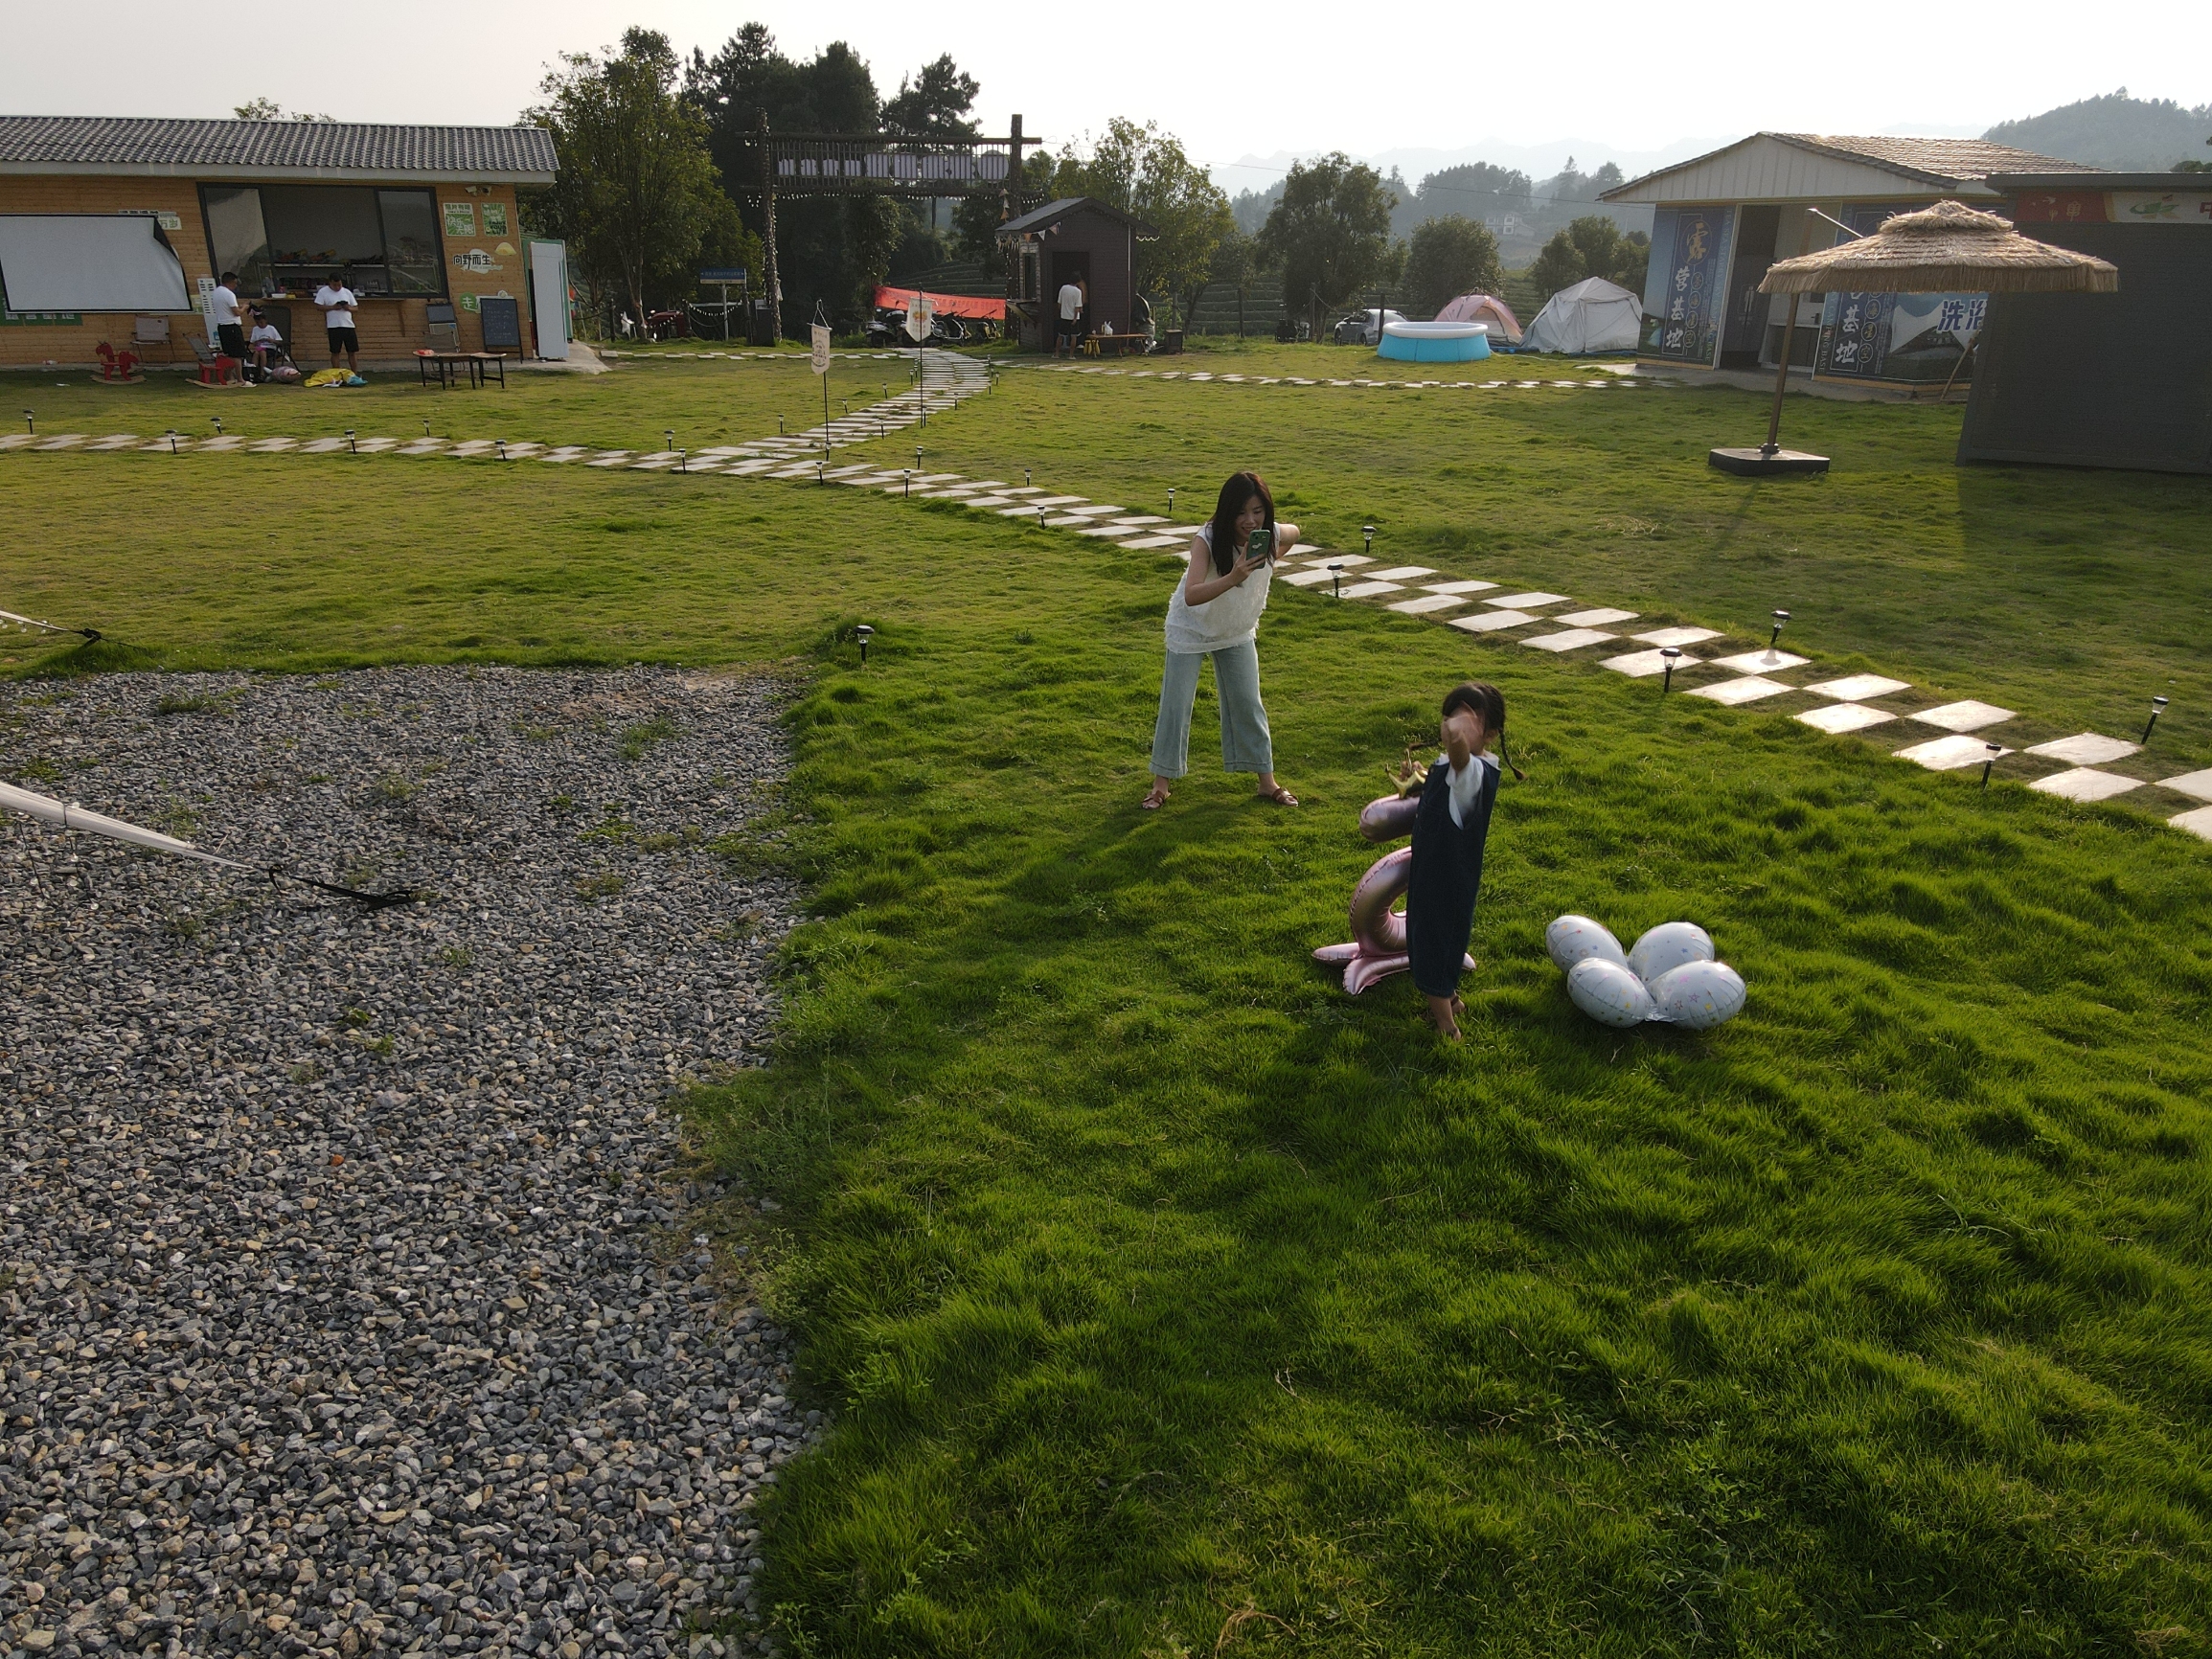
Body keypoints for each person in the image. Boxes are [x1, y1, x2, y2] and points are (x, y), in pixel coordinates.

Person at [1144, 471, 1298, 811]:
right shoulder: (1207, 538)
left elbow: (1295, 532)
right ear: (1228, 511)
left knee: (1248, 701)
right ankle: (1161, 785)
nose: (1250, 520)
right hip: (1192, 628)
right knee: (1176, 704)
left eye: (1257, 510)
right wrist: (1234, 577)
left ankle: (1266, 782)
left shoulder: (1265, 533)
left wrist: (1272, 554)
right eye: (1242, 512)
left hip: (1235, 629)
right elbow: (1192, 595)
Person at [1405, 682, 1520, 1041]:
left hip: (1445, 879)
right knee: (1436, 937)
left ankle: (1445, 1025)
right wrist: (1421, 777)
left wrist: (1456, 736)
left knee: (1433, 945)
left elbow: (1459, 761)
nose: (1455, 726)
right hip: (1435, 874)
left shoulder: (1473, 773)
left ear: (1491, 733)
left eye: (1469, 722)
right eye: (1452, 716)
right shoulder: (1456, 767)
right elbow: (1448, 768)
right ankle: (1451, 1000)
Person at [314, 276, 360, 372]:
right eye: (335, 285)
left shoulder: (346, 292)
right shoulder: (323, 292)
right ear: (330, 283)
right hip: (333, 326)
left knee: (352, 351)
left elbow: (356, 308)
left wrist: (348, 308)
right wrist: (332, 307)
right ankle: (336, 373)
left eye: (339, 285)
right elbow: (318, 307)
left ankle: (354, 373)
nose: (337, 287)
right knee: (335, 351)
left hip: (348, 325)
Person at [210, 271, 248, 367]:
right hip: (232, 326)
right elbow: (237, 313)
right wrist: (244, 307)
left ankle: (230, 377)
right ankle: (240, 378)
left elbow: (226, 307)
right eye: (234, 283)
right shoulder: (229, 294)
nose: (235, 286)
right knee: (237, 354)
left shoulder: (216, 292)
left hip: (222, 326)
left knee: (228, 353)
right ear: (229, 282)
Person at [246, 309, 284, 382]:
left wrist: (272, 340)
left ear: (265, 321)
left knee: (262, 352)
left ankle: (262, 374)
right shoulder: (255, 329)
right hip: (259, 348)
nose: (260, 324)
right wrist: (257, 342)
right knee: (256, 353)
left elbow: (280, 342)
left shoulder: (271, 328)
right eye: (257, 323)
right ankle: (255, 373)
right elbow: (252, 342)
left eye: (261, 322)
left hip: (270, 348)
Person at [1054, 275, 1083, 357]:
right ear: (1078, 281)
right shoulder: (1078, 292)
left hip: (1064, 316)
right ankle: (1071, 355)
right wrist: (1074, 318)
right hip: (1074, 317)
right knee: (1074, 336)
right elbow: (1077, 307)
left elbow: (1059, 303)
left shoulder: (1063, 288)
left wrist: (1061, 312)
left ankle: (1056, 354)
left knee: (1060, 335)